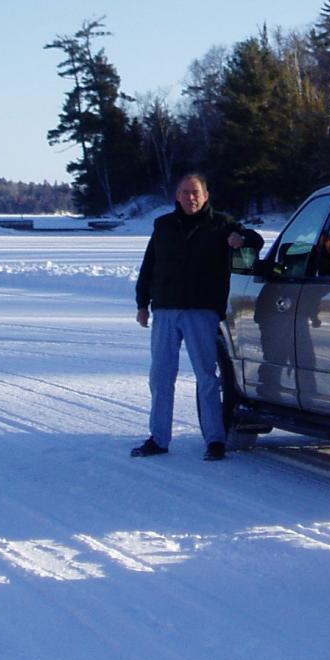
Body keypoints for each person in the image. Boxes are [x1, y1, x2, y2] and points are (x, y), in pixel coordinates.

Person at [132, 173, 263, 461]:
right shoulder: (163, 226)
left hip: (202, 312)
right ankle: (158, 438)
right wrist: (142, 303)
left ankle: (215, 440)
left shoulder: (222, 224)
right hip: (166, 310)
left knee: (207, 377)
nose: (190, 198)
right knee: (161, 377)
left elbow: (256, 240)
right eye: (185, 192)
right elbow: (149, 266)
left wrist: (240, 239)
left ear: (206, 196)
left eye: (195, 193)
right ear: (177, 196)